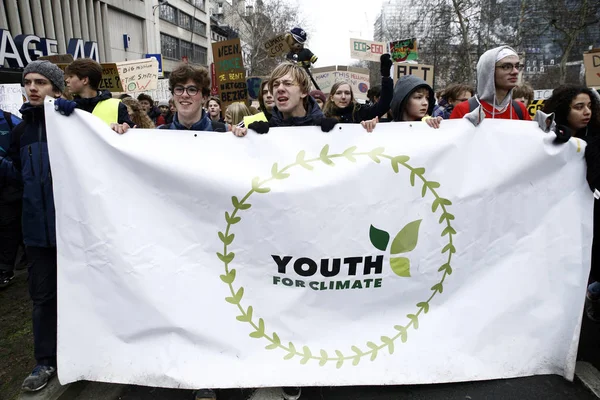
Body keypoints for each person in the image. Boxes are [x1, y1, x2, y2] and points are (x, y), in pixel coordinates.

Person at [0, 60, 64, 392]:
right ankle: (44, 362)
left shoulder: (73, 125)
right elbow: (14, 178)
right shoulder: (21, 132)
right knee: (42, 300)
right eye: (28, 82)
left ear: (56, 87)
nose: (33, 87)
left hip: (72, 233)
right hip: (36, 235)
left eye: (41, 81)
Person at [542, 85, 600, 321]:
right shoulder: (547, 138)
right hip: (557, 217)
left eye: (589, 106)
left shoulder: (595, 137)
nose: (586, 112)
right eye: (579, 107)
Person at [450, 46, 529, 121]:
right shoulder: (465, 109)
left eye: (517, 66)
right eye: (506, 67)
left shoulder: (520, 109)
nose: (515, 71)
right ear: (489, 71)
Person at [60, 58, 134, 133]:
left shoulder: (117, 106)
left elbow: (132, 136)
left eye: (71, 76)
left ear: (85, 80)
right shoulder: (68, 107)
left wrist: (123, 128)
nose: (67, 80)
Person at [322, 54, 393, 124]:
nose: (343, 97)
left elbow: (384, 105)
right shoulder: (323, 116)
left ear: (351, 96)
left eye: (347, 93)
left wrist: (386, 77)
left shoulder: (360, 112)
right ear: (331, 97)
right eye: (339, 93)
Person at [159, 64, 227, 133]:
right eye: (179, 89)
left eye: (192, 90)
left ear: (204, 97)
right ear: (173, 95)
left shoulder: (225, 132)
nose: (184, 95)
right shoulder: (159, 134)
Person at [0, 109, 23, 288]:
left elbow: (21, 151)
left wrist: (6, 166)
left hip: (9, 186)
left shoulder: (9, 120)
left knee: (8, 226)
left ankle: (5, 270)